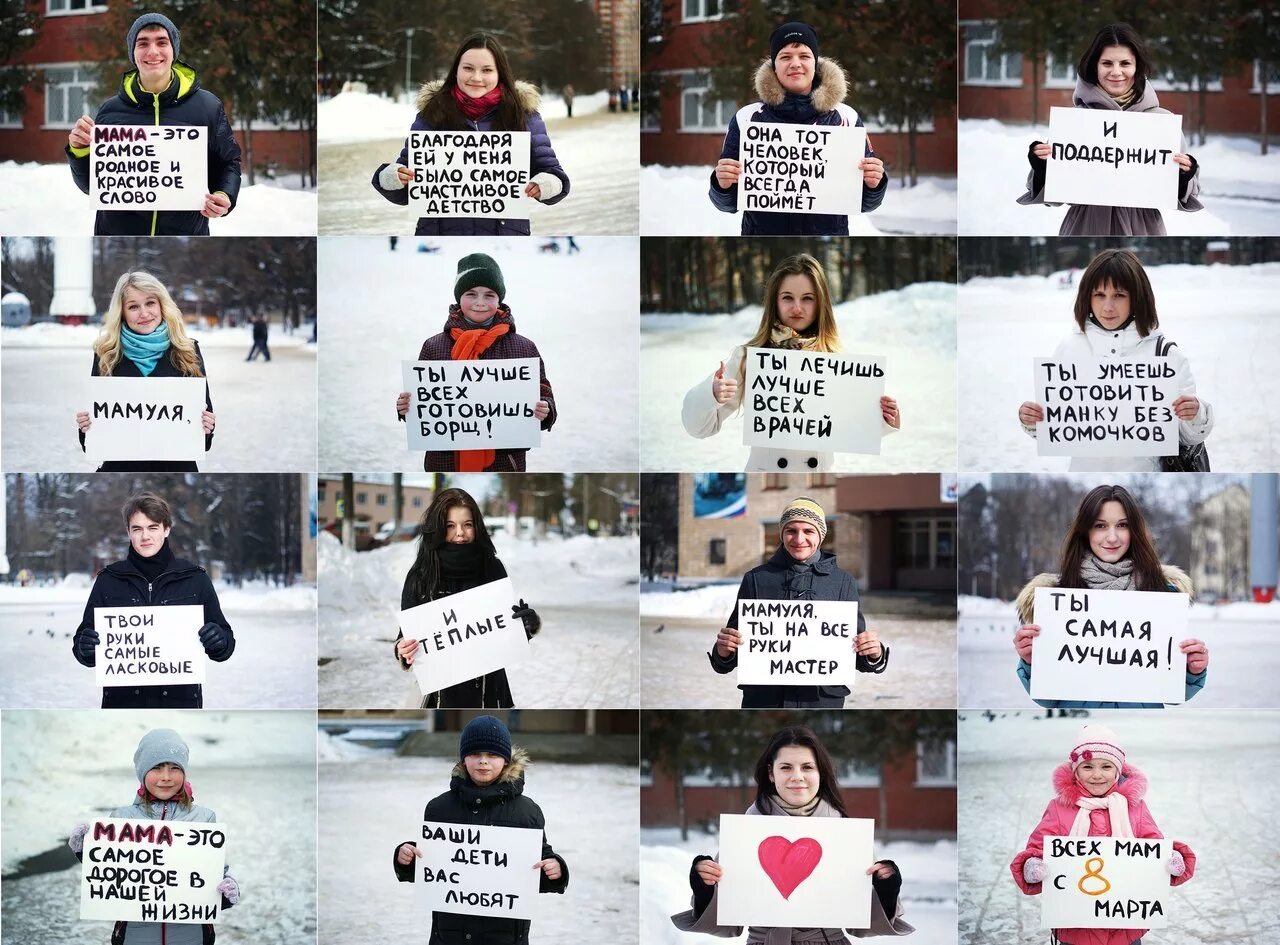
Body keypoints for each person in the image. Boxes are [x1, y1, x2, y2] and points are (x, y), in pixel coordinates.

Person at [671, 725, 913, 941]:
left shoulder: (843, 833)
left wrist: (886, 888)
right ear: (771, 773)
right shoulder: (747, 831)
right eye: (786, 767)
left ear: (820, 773)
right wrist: (704, 887)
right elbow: (726, 923)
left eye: (807, 767)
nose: (797, 776)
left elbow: (862, 926)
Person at [682, 252, 900, 471]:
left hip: (816, 475)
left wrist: (887, 417)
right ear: (775, 301)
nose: (797, 308)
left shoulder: (836, 363)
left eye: (807, 298)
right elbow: (699, 428)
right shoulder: (749, 358)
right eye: (787, 297)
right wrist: (710, 394)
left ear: (820, 303)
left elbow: (854, 428)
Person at [1012, 484, 1209, 709]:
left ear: (1134, 531)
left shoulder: (1162, 595)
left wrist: (1192, 670)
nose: (1112, 537)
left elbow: (1170, 691)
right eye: (1100, 525)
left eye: (1122, 525)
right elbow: (1048, 697)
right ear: (1085, 531)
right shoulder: (1057, 599)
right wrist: (1031, 662)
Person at [1016, 248, 1212, 472]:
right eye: (1099, 295)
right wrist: (1031, 420)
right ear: (1087, 297)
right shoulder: (1069, 347)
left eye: (1119, 295)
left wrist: (1196, 413)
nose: (1107, 307)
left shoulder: (1165, 354)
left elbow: (1188, 436)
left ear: (1137, 297)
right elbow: (1057, 423)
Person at [1010, 724, 1196, 945]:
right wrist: (1033, 866)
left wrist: (1171, 861)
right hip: (1075, 927)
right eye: (1087, 767)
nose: (1097, 775)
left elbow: (1154, 849)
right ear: (1075, 770)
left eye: (1106, 766)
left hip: (1125, 928)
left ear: (1117, 771)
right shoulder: (1059, 808)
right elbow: (1039, 849)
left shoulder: (1135, 808)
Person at [372, 31, 570, 235]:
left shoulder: (524, 116)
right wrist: (392, 178)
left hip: (504, 234)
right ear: (456, 70)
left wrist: (546, 185)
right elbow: (407, 185)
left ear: (500, 73)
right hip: (440, 234)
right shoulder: (432, 113)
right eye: (468, 68)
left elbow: (554, 175)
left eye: (487, 70)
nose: (477, 78)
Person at [393, 715, 568, 944]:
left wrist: (556, 869)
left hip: (505, 937)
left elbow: (537, 866)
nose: (483, 761)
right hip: (449, 936)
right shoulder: (439, 808)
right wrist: (406, 858)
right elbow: (431, 867)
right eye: (475, 754)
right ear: (463, 759)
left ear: (506, 760)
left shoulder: (527, 812)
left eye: (493, 754)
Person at [1016, 23, 1203, 235]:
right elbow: (1053, 196)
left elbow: (1186, 196)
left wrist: (1184, 176)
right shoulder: (1074, 122)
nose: (1116, 72)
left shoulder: (1161, 124)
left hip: (1142, 227)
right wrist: (1042, 167)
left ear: (1137, 67)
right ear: (1094, 66)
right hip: (1084, 226)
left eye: (1125, 63)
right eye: (1107, 63)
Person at [65, 12, 241, 236]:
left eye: (162, 42)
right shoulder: (110, 110)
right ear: (133, 52)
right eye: (142, 43)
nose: (153, 51)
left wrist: (225, 195)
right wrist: (80, 151)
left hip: (185, 232)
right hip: (117, 233)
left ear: (173, 50)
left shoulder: (207, 106)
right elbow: (94, 188)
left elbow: (228, 162)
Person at [709, 22, 888, 236]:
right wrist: (722, 185)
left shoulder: (846, 118)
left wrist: (874, 184)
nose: (795, 64)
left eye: (804, 56)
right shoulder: (747, 119)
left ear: (815, 63)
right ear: (774, 65)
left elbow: (864, 203)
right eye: (785, 57)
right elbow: (726, 204)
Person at [708, 496, 889, 708]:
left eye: (808, 531)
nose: (798, 538)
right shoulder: (756, 579)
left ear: (820, 536)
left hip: (821, 702)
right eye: (791, 530)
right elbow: (731, 655)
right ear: (782, 534)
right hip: (765, 701)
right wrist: (724, 651)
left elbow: (855, 655)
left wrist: (873, 653)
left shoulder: (844, 583)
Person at [68, 729, 242, 945]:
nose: (166, 777)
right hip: (134, 936)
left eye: (175, 768)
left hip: (192, 936)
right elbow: (111, 873)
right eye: (157, 768)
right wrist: (86, 851)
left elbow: (213, 873)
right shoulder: (122, 818)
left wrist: (226, 891)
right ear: (143, 772)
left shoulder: (204, 817)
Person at [71, 491, 235, 709]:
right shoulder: (108, 580)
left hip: (180, 703)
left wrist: (219, 641)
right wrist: (86, 647)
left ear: (166, 529)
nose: (145, 536)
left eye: (153, 527)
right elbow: (83, 645)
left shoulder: (195, 578)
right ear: (128, 532)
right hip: (123, 704)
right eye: (137, 529)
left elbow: (226, 643)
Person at [395, 253, 556, 472]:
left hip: (504, 462)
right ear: (458, 298)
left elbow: (544, 393)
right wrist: (406, 407)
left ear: (499, 299)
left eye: (489, 295)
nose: (480, 302)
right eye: (471, 294)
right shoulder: (434, 347)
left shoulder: (524, 348)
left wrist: (545, 410)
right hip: (445, 462)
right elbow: (423, 403)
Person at [393, 488, 542, 707]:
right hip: (439, 697)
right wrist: (402, 650)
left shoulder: (492, 567)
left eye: (468, 524)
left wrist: (528, 624)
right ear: (437, 528)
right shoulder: (420, 575)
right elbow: (405, 637)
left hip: (489, 693)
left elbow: (505, 629)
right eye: (450, 526)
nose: (460, 533)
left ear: (477, 526)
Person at [74, 271, 217, 472]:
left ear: (161, 305)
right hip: (120, 469)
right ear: (121, 312)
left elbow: (203, 441)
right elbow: (92, 439)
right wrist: (85, 427)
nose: (144, 313)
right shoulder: (106, 354)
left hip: (177, 467)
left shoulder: (188, 350)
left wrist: (207, 426)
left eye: (150, 303)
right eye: (133, 306)